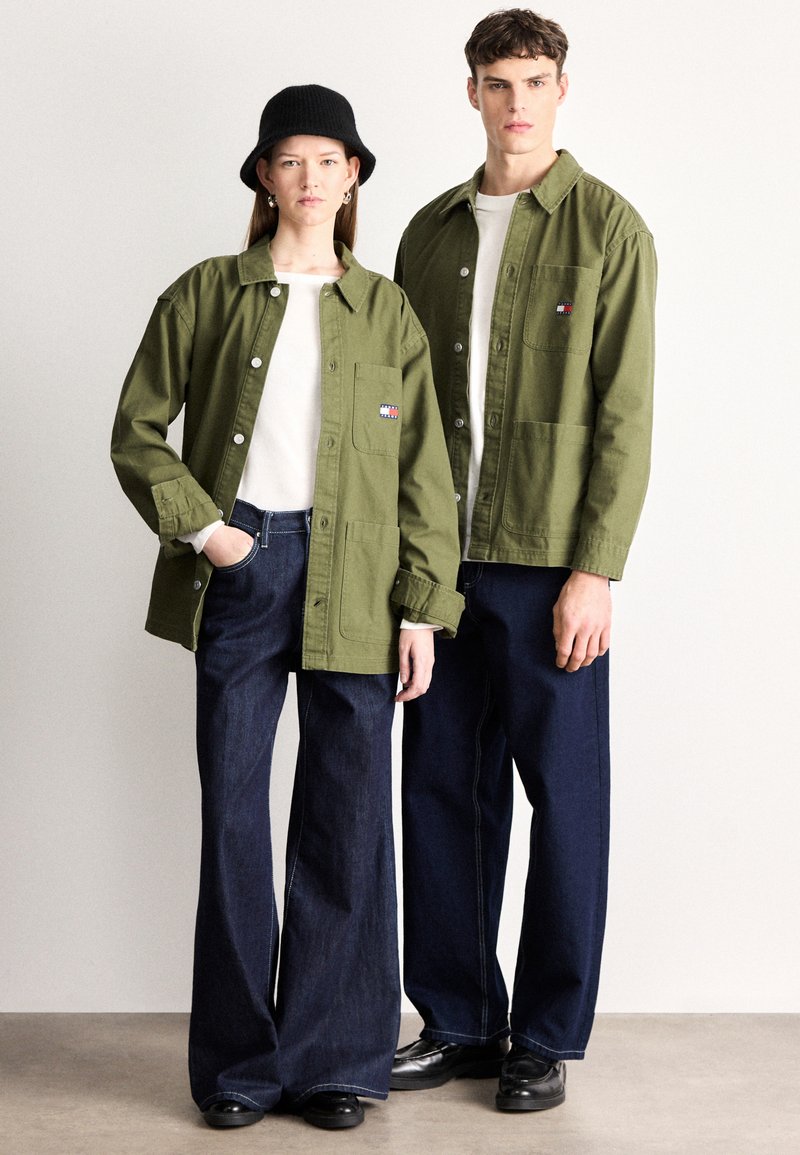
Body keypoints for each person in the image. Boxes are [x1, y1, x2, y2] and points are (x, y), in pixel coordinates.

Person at [111, 84, 463, 1132]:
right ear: (265, 177)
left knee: (347, 819)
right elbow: (137, 429)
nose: (311, 178)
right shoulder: (206, 293)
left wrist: (421, 609)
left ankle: (335, 1061)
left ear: (353, 177)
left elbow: (424, 472)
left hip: (360, 578)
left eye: (329, 160)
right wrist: (208, 531)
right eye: (291, 159)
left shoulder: (387, 309)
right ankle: (237, 1067)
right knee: (232, 812)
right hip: (244, 564)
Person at [391, 9, 656, 1112]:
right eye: (497, 83)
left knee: (565, 798)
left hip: (549, 564)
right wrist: (404, 568)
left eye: (533, 81)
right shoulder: (428, 232)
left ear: (561, 89)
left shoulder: (608, 228)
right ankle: (458, 1020)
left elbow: (623, 415)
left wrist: (595, 570)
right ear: (471, 92)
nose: (515, 103)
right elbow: (399, 410)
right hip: (437, 564)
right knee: (440, 792)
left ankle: (544, 1035)